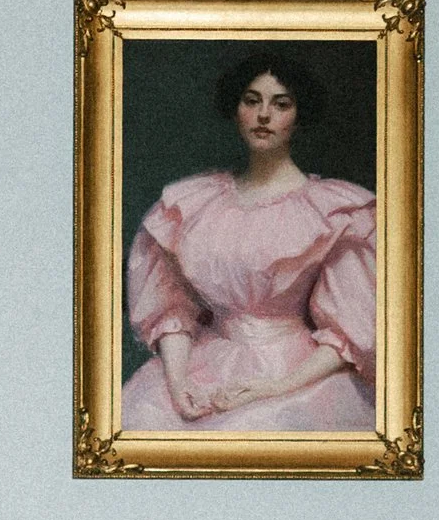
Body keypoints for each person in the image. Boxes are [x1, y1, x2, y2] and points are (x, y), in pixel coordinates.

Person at [122, 51, 376, 436]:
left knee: (267, 425)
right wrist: (178, 384)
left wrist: (273, 388)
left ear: (298, 115)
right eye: (252, 101)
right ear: (235, 108)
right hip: (204, 363)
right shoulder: (191, 204)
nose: (263, 115)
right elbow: (171, 309)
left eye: (281, 104)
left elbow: (350, 330)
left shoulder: (333, 210)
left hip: (293, 373)